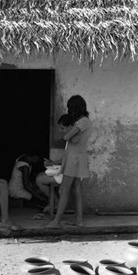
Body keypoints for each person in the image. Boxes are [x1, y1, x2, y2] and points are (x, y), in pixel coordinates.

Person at [46, 95, 92, 228]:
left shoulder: (81, 122)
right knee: (76, 188)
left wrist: (70, 135)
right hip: (79, 157)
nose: (69, 111)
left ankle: (56, 221)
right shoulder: (86, 121)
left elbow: (66, 136)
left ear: (74, 108)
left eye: (70, 108)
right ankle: (79, 220)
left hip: (74, 159)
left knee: (63, 189)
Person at [34, 114, 73, 213]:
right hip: (65, 169)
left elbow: (68, 159)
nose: (61, 131)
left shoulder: (73, 140)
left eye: (62, 128)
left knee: (39, 180)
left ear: (70, 127)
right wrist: (52, 163)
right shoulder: (70, 139)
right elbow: (66, 157)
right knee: (40, 175)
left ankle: (55, 202)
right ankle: (54, 202)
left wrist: (53, 164)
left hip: (67, 172)